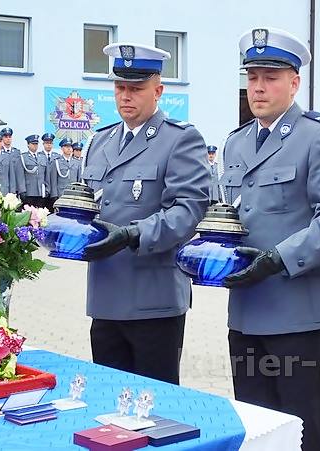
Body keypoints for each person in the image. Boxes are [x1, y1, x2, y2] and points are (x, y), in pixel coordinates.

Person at [220, 27, 320, 451]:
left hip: (298, 311)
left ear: (295, 82)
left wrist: (278, 259)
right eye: (252, 77)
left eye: (270, 77)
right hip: (246, 309)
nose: (258, 87)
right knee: (257, 425)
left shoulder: (318, 135)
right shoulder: (236, 143)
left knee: (303, 428)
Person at [81, 42, 209, 384]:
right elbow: (86, 203)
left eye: (136, 89)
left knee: (155, 402)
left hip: (154, 299)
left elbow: (188, 210)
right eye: (120, 87)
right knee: (109, 396)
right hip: (106, 295)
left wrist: (134, 234)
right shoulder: (100, 141)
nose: (126, 96)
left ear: (158, 91)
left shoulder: (180, 139)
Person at [19, 134, 49, 208]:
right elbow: (20, 176)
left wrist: (47, 189)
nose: (35, 146)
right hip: (29, 192)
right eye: (33, 144)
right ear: (28, 145)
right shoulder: (23, 157)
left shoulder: (42, 157)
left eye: (36, 144)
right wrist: (22, 190)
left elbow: (46, 175)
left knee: (41, 213)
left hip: (41, 191)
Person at [0, 127, 26, 198]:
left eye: (10, 137)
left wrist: (21, 189)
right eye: (6, 137)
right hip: (2, 186)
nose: (8, 139)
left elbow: (20, 172)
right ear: (2, 138)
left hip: (15, 186)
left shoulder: (17, 152)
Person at [39, 133, 59, 211]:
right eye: (47, 143)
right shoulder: (39, 156)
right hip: (42, 189)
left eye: (50, 143)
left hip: (54, 190)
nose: (48, 145)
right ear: (43, 144)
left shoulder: (57, 157)